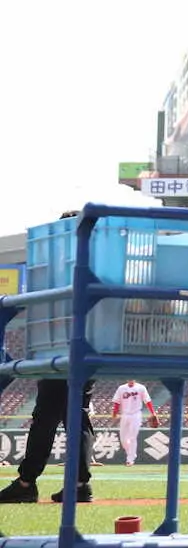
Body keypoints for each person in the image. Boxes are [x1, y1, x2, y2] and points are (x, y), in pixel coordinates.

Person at [0, 209, 107, 506]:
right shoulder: (98, 260)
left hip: (59, 347)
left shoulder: (57, 266)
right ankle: (79, 483)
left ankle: (27, 482)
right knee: (77, 414)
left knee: (47, 415)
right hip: (89, 345)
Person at [112, 379, 158, 466]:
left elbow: (147, 401)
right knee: (123, 439)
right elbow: (117, 402)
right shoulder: (121, 388)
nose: (131, 380)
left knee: (132, 437)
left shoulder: (141, 388)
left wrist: (153, 412)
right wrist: (114, 413)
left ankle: (130, 459)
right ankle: (131, 453)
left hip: (136, 414)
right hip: (125, 414)